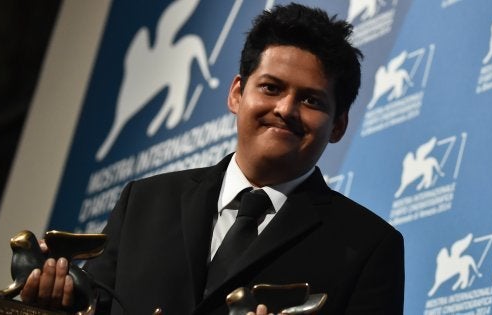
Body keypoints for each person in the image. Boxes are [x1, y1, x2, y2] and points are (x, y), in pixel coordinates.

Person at [21, 3, 404, 314]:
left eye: (311, 100)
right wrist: (55, 303)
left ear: (338, 126)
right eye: (271, 88)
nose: (286, 109)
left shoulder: (368, 246)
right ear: (237, 94)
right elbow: (96, 306)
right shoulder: (144, 202)